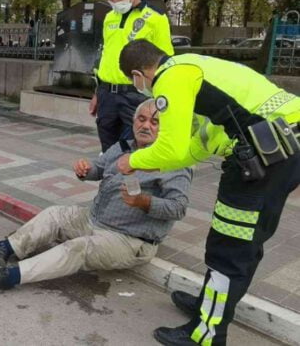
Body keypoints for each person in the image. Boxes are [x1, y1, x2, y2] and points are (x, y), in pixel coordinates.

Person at [116, 40, 300, 346]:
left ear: (138, 75)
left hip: (264, 153)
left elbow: (170, 148)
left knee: (229, 246)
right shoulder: (192, 67)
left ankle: (207, 332)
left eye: (136, 83)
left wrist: (132, 160)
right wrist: (152, 164)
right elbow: (198, 144)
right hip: (283, 145)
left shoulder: (169, 78)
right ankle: (210, 305)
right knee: (246, 240)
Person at [0, 99, 192, 290]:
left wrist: (144, 201)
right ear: (133, 122)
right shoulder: (124, 146)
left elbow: (178, 208)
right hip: (93, 219)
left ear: (167, 129)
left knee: (77, 249)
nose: (146, 126)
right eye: (141, 119)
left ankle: (13, 276)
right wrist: (85, 171)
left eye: (155, 122)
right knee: (54, 214)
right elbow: (99, 168)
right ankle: (6, 249)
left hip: (130, 240)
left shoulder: (173, 163)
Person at [91, 0, 174, 153]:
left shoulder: (155, 19)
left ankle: (134, 182)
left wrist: (160, 99)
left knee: (134, 151)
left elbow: (166, 63)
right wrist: (98, 92)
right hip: (107, 95)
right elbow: (106, 55)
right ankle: (111, 183)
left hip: (135, 96)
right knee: (108, 152)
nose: (115, 2)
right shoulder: (109, 18)